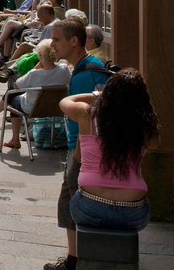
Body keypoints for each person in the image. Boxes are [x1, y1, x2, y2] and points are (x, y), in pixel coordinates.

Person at [44, 18, 110, 270]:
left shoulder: (86, 73)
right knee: (68, 203)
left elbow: (88, 121)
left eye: (57, 38)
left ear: (75, 41)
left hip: (82, 151)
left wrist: (80, 161)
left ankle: (80, 260)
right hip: (79, 148)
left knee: (77, 204)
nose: (52, 44)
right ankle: (73, 259)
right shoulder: (86, 66)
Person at [59, 69, 159, 232]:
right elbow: (155, 143)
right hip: (133, 212)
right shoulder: (143, 126)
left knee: (73, 203)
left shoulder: (88, 115)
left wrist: (97, 95)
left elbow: (65, 102)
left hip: (89, 207)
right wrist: (142, 105)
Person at [0, 39, 71, 149]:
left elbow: (17, 85)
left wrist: (34, 69)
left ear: (40, 55)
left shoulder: (35, 74)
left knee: (12, 95)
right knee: (15, 94)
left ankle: (14, 138)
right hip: (58, 108)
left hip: (33, 109)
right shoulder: (64, 69)